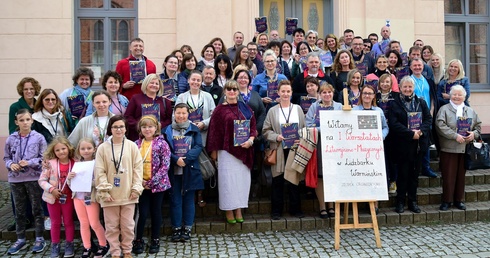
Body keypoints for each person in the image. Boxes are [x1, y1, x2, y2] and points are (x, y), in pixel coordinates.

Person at [207, 80, 257, 223]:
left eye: (234, 89)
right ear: (224, 92)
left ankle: (239, 209)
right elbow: (214, 133)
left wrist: (251, 140)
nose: (232, 92)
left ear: (238, 91)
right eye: (229, 89)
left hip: (244, 150)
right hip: (226, 152)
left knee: (242, 181)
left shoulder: (245, 108)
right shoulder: (219, 110)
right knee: (228, 182)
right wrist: (214, 151)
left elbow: (252, 126)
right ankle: (229, 210)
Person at [94, 115, 142, 258]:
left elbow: (138, 169)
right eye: (115, 127)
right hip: (109, 196)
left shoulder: (132, 146)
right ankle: (115, 252)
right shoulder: (102, 148)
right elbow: (99, 171)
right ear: (110, 129)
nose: (118, 129)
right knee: (111, 227)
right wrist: (104, 191)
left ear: (126, 129)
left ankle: (127, 251)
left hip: (128, 194)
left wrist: (136, 188)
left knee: (128, 226)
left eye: (121, 126)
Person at [5, 109, 47, 255]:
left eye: (27, 119)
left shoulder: (39, 137)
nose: (25, 122)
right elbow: (6, 158)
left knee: (37, 209)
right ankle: (20, 238)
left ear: (32, 121)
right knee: (19, 210)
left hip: (33, 178)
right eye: (21, 120)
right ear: (16, 122)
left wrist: (29, 162)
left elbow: (43, 158)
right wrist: (11, 164)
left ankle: (40, 238)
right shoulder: (11, 138)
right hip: (15, 179)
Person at [262, 80, 306, 220]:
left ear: (291, 93)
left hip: (294, 149)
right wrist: (277, 137)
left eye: (288, 91)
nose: (285, 94)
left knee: (294, 180)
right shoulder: (272, 110)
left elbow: (304, 129)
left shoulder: (298, 109)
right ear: (278, 93)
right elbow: (265, 131)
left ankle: (296, 209)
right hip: (279, 149)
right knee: (278, 181)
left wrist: (301, 138)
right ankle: (276, 211)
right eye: (283, 91)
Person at [388, 76, 432, 214]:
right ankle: (400, 201)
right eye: (405, 87)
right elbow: (394, 124)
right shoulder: (395, 103)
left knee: (414, 175)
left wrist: (421, 132)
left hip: (418, 144)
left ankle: (412, 201)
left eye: (410, 87)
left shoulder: (421, 102)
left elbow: (428, 119)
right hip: (402, 145)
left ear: (413, 88)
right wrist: (409, 133)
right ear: (400, 88)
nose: (407, 89)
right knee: (403, 174)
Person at [435, 86, 481, 211]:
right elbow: (440, 126)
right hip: (449, 148)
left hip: (465, 148)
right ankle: (446, 201)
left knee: (461, 176)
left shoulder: (470, 110)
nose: (456, 97)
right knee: (448, 176)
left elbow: (478, 126)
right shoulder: (444, 109)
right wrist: (455, 136)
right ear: (450, 95)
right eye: (454, 94)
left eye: (459, 95)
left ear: (464, 97)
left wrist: (473, 134)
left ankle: (459, 200)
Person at [163, 103, 203, 242]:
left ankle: (187, 228)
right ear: (174, 114)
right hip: (173, 171)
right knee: (175, 201)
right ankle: (176, 228)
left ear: (188, 114)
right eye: (178, 113)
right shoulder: (166, 130)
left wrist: (186, 159)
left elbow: (198, 146)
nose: (181, 116)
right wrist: (175, 159)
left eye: (183, 113)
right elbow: (165, 148)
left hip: (190, 169)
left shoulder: (194, 129)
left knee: (189, 200)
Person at [133, 116, 171, 254]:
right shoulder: (136, 144)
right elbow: (131, 164)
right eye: (144, 127)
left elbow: (165, 165)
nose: (147, 129)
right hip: (141, 185)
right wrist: (140, 181)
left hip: (158, 185)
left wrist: (151, 182)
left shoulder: (162, 144)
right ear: (140, 129)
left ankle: (155, 239)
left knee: (156, 212)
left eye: (150, 126)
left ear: (156, 128)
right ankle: (138, 239)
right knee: (141, 213)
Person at [7, 77, 41, 232]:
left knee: (34, 190)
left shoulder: (38, 105)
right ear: (22, 90)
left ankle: (36, 219)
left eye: (31, 89)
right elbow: (12, 130)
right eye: (26, 89)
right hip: (21, 149)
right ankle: (22, 219)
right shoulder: (15, 106)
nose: (29, 91)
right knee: (19, 190)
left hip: (36, 147)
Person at [305, 83, 342, 218]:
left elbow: (343, 124)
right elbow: (308, 125)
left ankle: (331, 205)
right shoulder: (314, 107)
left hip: (335, 144)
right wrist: (325, 129)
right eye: (324, 92)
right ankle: (322, 206)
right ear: (319, 94)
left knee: (333, 174)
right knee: (321, 175)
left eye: (329, 92)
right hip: (319, 143)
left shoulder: (339, 106)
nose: (327, 95)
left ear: (333, 93)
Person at [67, 138, 108, 258]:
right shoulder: (77, 164)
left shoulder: (97, 164)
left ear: (94, 149)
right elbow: (71, 185)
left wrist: (88, 182)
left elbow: (100, 181)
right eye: (83, 148)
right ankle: (87, 246)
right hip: (78, 197)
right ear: (79, 150)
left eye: (89, 148)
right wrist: (70, 178)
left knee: (94, 223)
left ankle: (104, 244)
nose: (86, 151)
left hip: (91, 197)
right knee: (83, 223)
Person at [353, 85, 389, 212]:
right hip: (359, 149)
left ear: (374, 96)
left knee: (374, 175)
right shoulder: (354, 110)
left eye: (370, 93)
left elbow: (385, 127)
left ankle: (375, 203)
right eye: (364, 93)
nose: (367, 96)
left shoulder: (378, 111)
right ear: (361, 95)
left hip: (375, 149)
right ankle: (358, 201)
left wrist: (381, 137)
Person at [38, 136, 76, 258]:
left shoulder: (75, 163)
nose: (61, 152)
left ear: (68, 148)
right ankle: (55, 245)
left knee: (68, 221)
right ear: (53, 152)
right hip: (53, 198)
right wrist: (52, 189)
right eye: (57, 150)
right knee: (55, 222)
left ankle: (69, 244)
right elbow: (42, 180)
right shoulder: (50, 164)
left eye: (63, 148)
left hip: (68, 197)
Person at [410, 58, 439, 178]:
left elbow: (432, 97)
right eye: (415, 65)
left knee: (425, 143)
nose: (417, 67)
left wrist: (431, 111)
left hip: (426, 116)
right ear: (411, 67)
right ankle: (413, 168)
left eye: (419, 65)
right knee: (412, 142)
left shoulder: (428, 81)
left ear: (423, 67)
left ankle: (426, 167)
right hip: (412, 116)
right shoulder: (408, 80)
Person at [125, 74, 172, 141]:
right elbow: (128, 117)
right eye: (151, 83)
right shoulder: (136, 98)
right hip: (139, 137)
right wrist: (140, 126)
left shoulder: (165, 101)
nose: (154, 85)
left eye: (156, 84)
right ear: (146, 84)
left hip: (159, 138)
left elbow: (169, 119)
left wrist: (160, 126)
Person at [176, 70, 216, 146]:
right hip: (186, 134)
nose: (195, 82)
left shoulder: (208, 96)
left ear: (201, 82)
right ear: (188, 80)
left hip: (204, 134)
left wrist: (204, 123)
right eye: (193, 79)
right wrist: (190, 124)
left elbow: (214, 115)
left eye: (198, 80)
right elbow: (175, 116)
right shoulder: (181, 97)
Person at [376, 74, 398, 195]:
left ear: (391, 84)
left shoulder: (396, 96)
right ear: (379, 84)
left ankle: (393, 181)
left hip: (393, 131)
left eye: (387, 82)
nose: (385, 84)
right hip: (378, 131)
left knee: (392, 158)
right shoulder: (375, 96)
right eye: (382, 82)